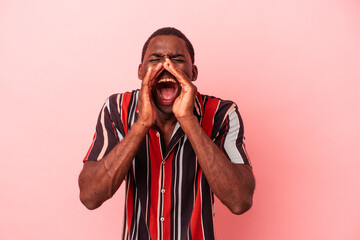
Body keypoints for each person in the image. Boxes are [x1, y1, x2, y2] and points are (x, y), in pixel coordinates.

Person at [79, 27, 255, 240]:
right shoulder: (117, 109)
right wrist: (141, 124)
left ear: (194, 73)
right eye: (156, 59)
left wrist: (188, 120)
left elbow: (240, 201)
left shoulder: (222, 114)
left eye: (177, 59)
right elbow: (90, 196)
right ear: (140, 71)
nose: (166, 67)